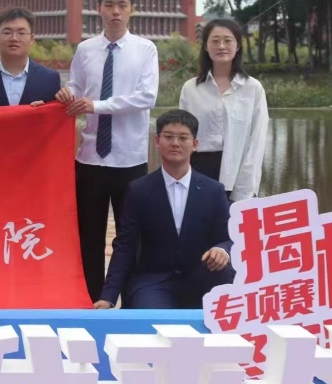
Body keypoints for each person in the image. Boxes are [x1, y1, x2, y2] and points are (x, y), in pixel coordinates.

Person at [56, 0, 159, 302]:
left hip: (130, 160)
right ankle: (90, 300)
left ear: (132, 10)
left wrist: (97, 106)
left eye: (122, 6)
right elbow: (76, 85)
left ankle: (129, 299)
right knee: (89, 235)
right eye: (109, 5)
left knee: (129, 236)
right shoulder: (86, 49)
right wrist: (67, 93)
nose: (116, 11)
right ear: (98, 8)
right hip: (89, 158)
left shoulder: (145, 49)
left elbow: (146, 97)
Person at [95, 109, 234, 309]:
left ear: (195, 144)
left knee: (225, 275)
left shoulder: (213, 190)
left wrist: (222, 250)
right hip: (154, 281)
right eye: (168, 137)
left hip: (201, 276)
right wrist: (108, 297)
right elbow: (125, 245)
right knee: (149, 318)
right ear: (157, 141)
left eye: (183, 138)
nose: (175, 143)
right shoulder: (139, 190)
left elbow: (229, 238)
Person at [179, 18, 269, 202]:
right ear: (205, 46)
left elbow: (257, 140)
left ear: (238, 46)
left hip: (238, 168)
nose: (221, 46)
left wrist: (246, 186)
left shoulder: (252, 88)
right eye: (215, 41)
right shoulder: (190, 88)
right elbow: (182, 136)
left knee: (233, 219)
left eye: (228, 40)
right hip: (199, 170)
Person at [0, 7, 62, 109]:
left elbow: (57, 115)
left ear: (32, 39)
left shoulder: (49, 79)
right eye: (7, 32)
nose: (14, 38)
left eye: (21, 33)